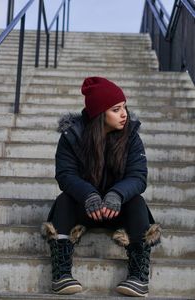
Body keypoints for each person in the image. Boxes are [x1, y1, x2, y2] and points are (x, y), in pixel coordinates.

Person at [42, 77, 161, 297]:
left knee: (137, 202)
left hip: (119, 209)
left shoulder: (131, 136)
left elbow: (138, 176)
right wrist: (88, 195)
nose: (124, 114)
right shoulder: (72, 137)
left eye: (124, 107)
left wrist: (117, 194)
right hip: (84, 209)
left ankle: (138, 275)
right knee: (64, 200)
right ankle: (61, 274)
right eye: (116, 109)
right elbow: (65, 175)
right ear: (99, 114)